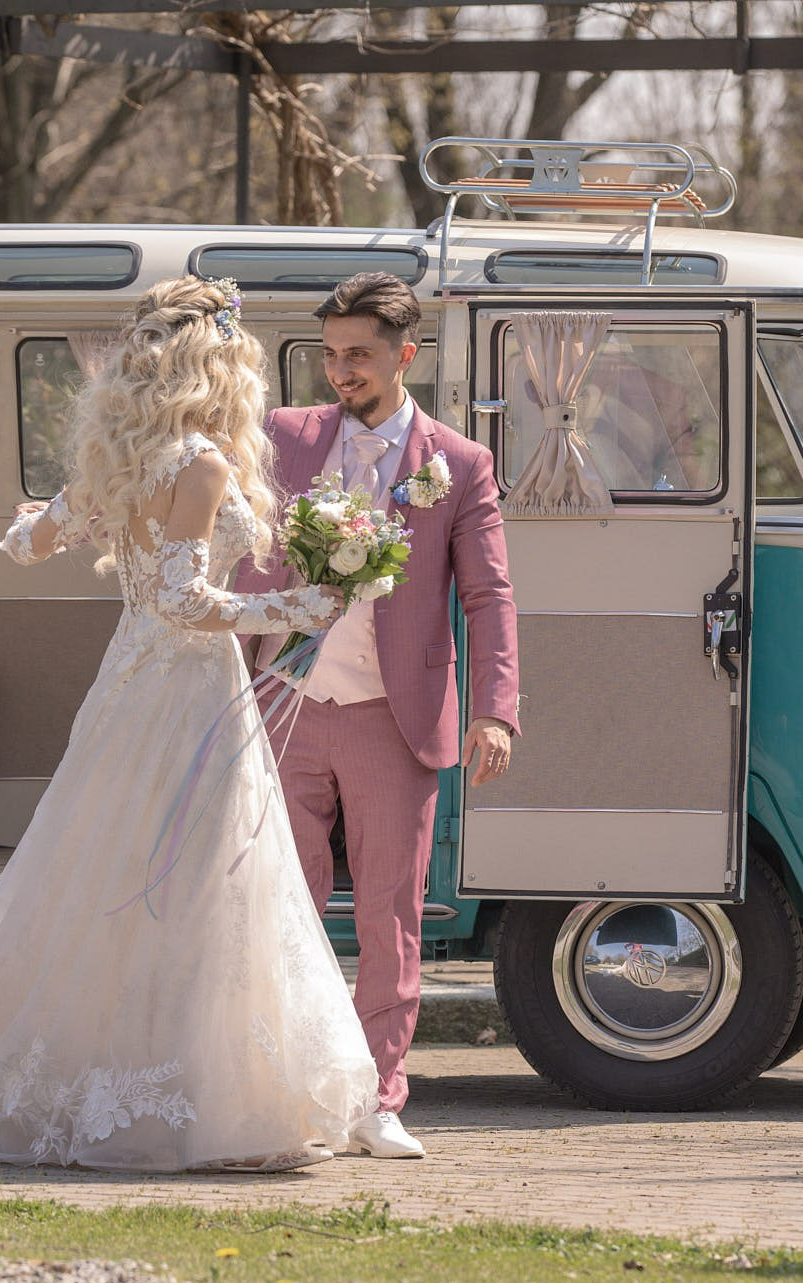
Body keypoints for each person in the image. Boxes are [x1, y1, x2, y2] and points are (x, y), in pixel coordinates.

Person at [0, 276, 379, 1172]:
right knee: (189, 878)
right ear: (211, 367)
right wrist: (293, 603)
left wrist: (37, 523)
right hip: (183, 690)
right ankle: (173, 1090)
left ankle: (90, 1071)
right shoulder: (201, 462)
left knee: (98, 871)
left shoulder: (125, 457)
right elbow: (182, 598)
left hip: (127, 685)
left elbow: (31, 542)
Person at [237, 271, 520, 1159]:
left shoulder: (458, 464)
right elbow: (234, 542)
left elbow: (489, 595)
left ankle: (377, 1096)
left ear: (406, 355)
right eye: (328, 354)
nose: (339, 370)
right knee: (284, 902)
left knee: (390, 913)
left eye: (357, 354)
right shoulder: (283, 437)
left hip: (393, 715)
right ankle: (283, 1085)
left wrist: (497, 711)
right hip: (283, 698)